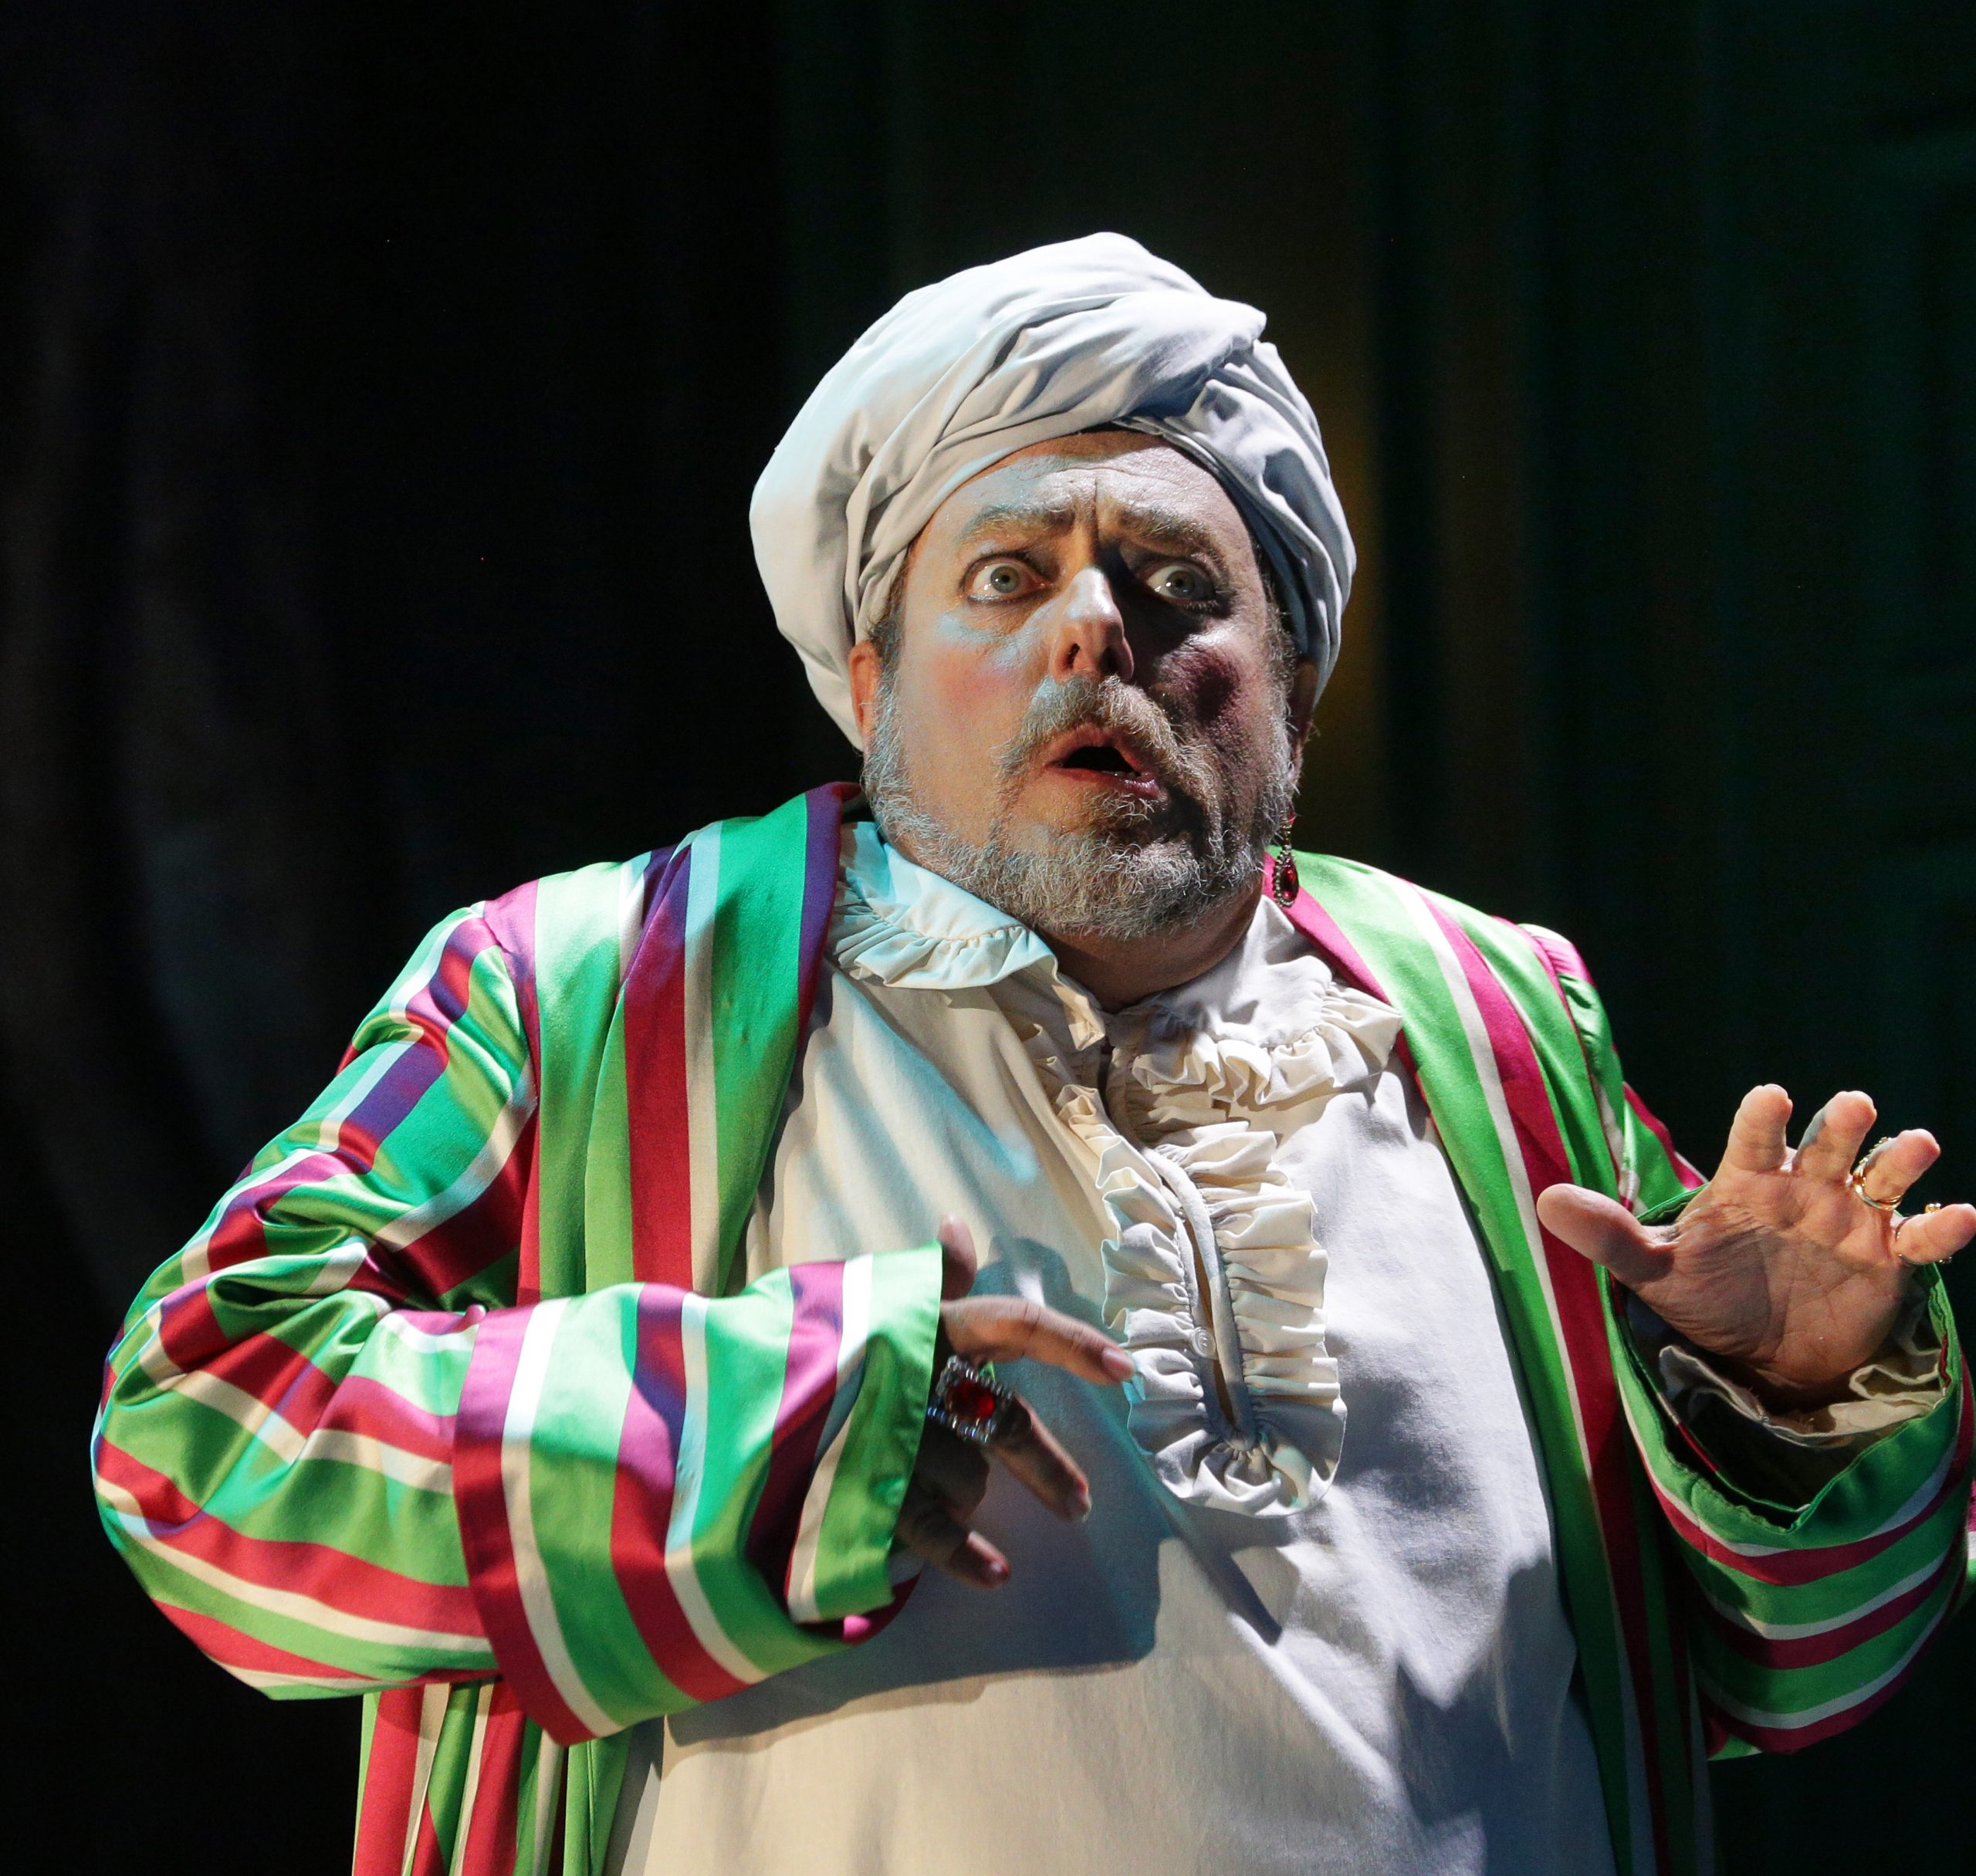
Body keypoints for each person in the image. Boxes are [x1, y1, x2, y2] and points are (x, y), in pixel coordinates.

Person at [94, 235, 1973, 1876]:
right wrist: (754, 1432)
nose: (1094, 627)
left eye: (1175, 583)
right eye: (1004, 578)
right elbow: (198, 1439)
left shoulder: (1488, 1016)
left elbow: (1782, 1670)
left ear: (1289, 683)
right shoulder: (583, 984)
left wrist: (1787, 1402)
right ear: (865, 682)